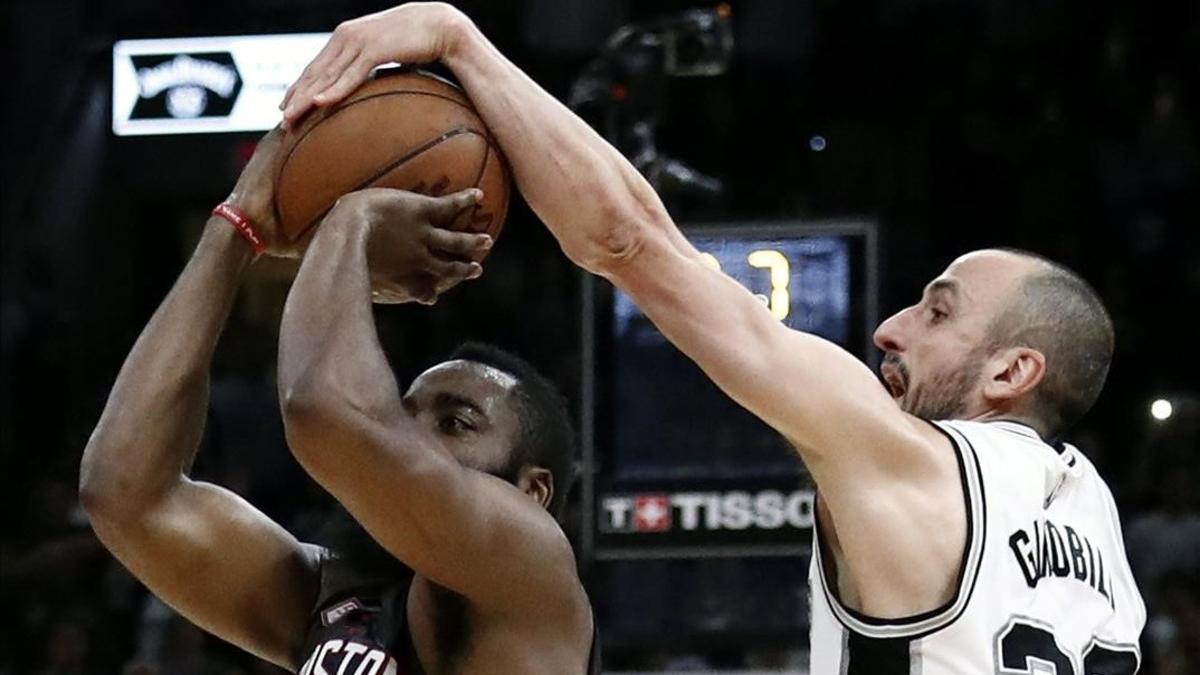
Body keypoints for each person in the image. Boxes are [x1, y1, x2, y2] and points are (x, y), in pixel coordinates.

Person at [281, 3, 1146, 671]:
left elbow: (630, 245)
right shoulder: (1100, 534)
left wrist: (458, 40)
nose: (889, 328)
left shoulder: (915, 463)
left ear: (1013, 370)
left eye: (939, 311)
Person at [79, 128, 599, 674]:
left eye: (454, 423)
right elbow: (127, 494)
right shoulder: (340, 598)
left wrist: (353, 219)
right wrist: (235, 228)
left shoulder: (531, 569)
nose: (409, 431)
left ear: (531, 491)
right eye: (404, 410)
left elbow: (325, 411)